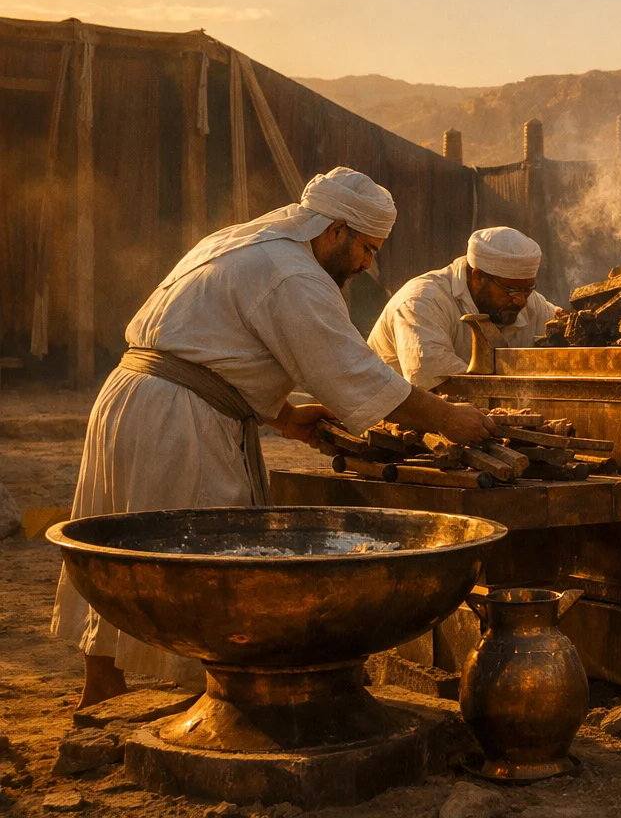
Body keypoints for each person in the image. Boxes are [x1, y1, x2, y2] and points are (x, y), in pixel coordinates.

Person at [53, 167, 496, 707]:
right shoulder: (294, 275)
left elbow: (213, 344)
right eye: (367, 249)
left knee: (119, 549)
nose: (367, 264)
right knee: (208, 561)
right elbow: (353, 373)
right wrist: (451, 419)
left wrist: (281, 416)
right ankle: (220, 704)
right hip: (177, 419)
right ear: (335, 230)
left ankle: (101, 689)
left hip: (133, 398)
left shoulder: (242, 241)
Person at [368, 227, 562, 389]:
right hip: (395, 423)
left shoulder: (529, 301)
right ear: (478, 277)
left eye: (527, 290)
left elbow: (563, 333)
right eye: (510, 291)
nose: (521, 302)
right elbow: (438, 387)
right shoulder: (422, 301)